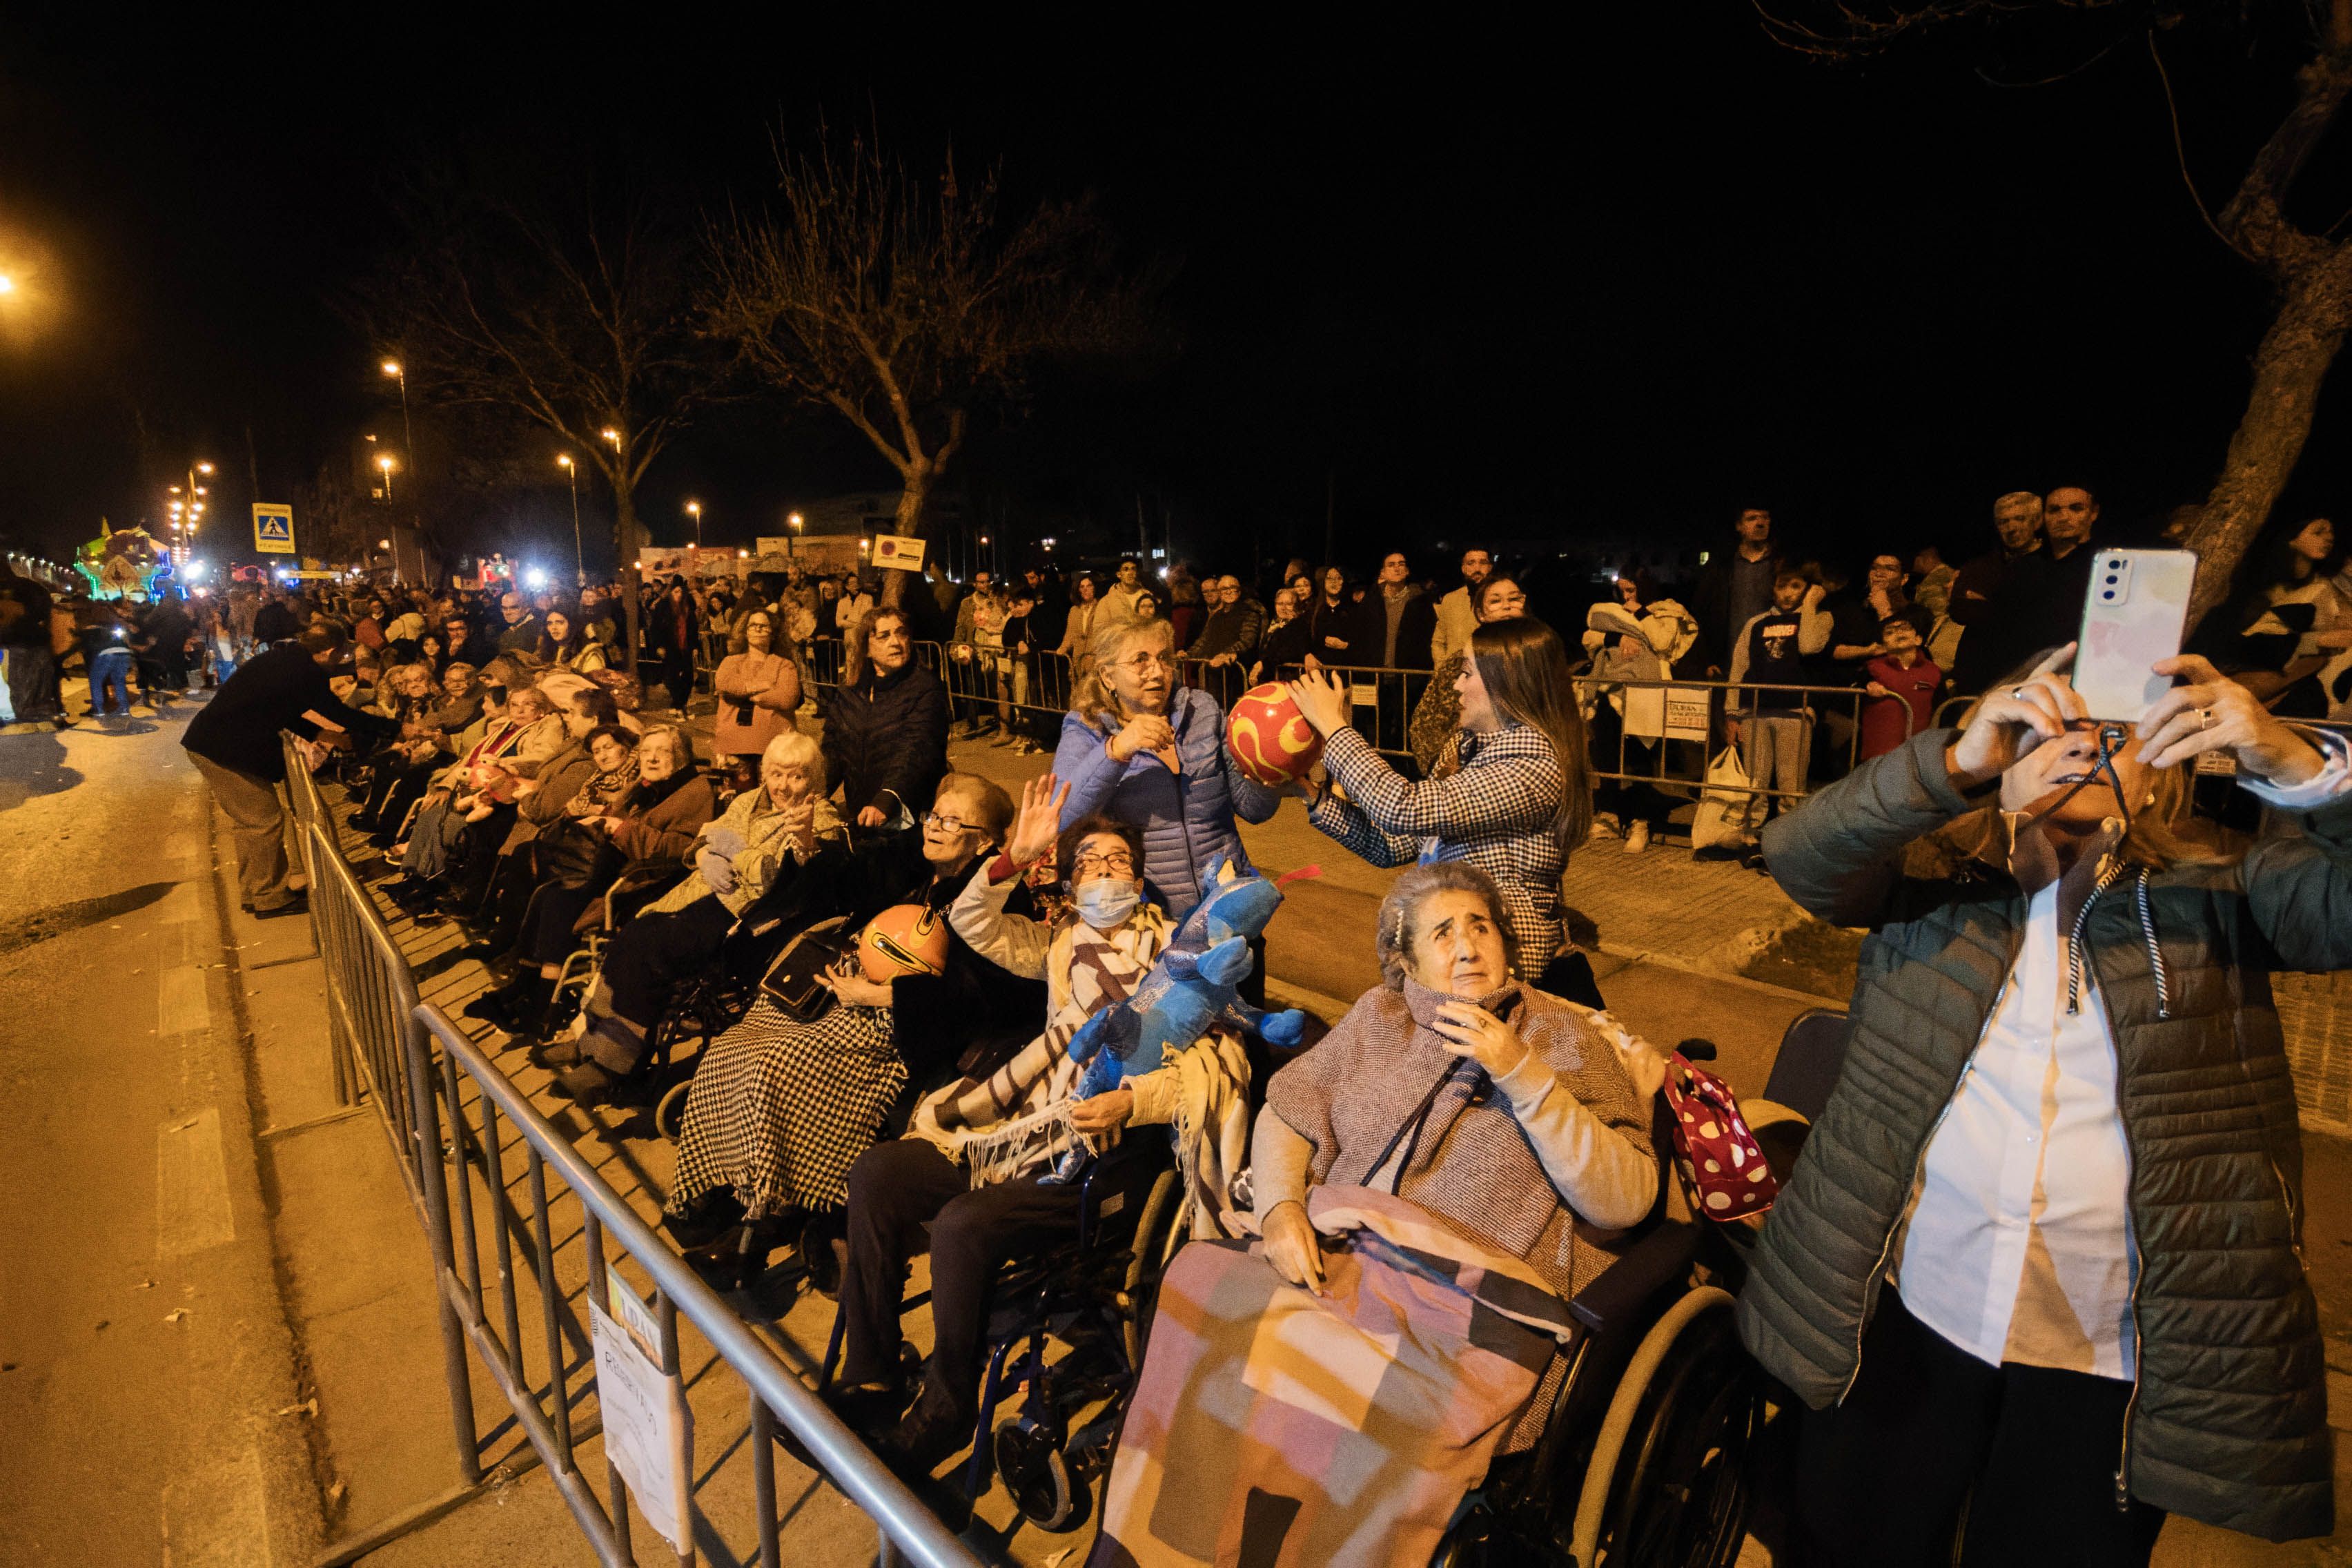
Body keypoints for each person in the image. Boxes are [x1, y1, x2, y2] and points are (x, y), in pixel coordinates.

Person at [1738, 647, 2352, 1566]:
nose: (2083, 750)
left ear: (2158, 780)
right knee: (1846, 1543)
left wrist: (2298, 764)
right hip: (1911, 1310)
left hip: (2107, 1355)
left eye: (2115, 736)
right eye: (2049, 729)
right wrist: (1952, 762)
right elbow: (1798, 852)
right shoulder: (1934, 884)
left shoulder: (2225, 892)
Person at [1092, 861, 1658, 1567]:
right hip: (1340, 1252)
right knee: (1199, 1293)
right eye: (1443, 932)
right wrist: (1279, 1210)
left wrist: (1521, 1069)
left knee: (1353, 1414)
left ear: (1508, 946)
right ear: (1408, 960)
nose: (1467, 945)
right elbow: (1289, 1113)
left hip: (1460, 1296)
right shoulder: (1377, 1017)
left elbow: (1627, 1195)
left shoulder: (1568, 1036)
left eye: (1481, 927)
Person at [826, 792, 1248, 1478]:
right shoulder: (1056, 947)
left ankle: (946, 1409)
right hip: (1026, 1131)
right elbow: (969, 922)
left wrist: (1131, 1101)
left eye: (1120, 861)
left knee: (963, 1223)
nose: (1107, 872)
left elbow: (1213, 1059)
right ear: (1072, 886)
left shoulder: (1178, 953)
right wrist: (1015, 857)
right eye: (1090, 863)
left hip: (1103, 1161)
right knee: (878, 1174)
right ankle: (871, 1372)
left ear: (1139, 881)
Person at [661, 774, 1028, 1284]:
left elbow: (980, 994)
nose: (934, 828)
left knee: (778, 1064)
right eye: (933, 815)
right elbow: (856, 874)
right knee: (732, 1048)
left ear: (986, 840)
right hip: (845, 992)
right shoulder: (916, 862)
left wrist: (889, 996)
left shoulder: (1001, 898)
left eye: (951, 821)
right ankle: (722, 1186)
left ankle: (760, 1227)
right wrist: (810, 844)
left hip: (906, 1022)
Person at [1291, 616, 1600, 1002]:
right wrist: (1310, 793)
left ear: (1507, 683)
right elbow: (1393, 845)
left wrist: (1333, 726)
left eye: (1467, 673)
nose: (1456, 684)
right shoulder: (1469, 750)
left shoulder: (1532, 761)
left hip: (1502, 969)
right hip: (1458, 962)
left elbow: (1400, 807)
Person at [551, 731, 846, 1104]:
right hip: (695, 896)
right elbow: (702, 842)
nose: (783, 786)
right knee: (633, 934)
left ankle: (610, 1067)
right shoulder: (747, 800)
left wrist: (731, 850)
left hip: (743, 919)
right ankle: (588, 1040)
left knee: (651, 948)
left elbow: (773, 877)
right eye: (776, 774)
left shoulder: (818, 820)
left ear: (813, 779)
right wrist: (707, 855)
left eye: (796, 776)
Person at [1052, 616, 1279, 920]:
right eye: (1140, 661)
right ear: (1107, 676)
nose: (1157, 671)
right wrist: (1116, 751)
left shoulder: (1203, 711)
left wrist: (1271, 772)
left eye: (1164, 659)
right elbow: (1062, 817)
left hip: (1227, 905)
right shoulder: (1087, 729)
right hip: (1148, 916)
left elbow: (1254, 809)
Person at [182, 630, 400, 916]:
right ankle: (269, 897)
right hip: (225, 752)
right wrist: (396, 729)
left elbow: (281, 711)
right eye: (342, 656)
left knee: (252, 825)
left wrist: (323, 734)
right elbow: (340, 714)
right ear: (329, 651)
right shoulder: (305, 672)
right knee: (264, 823)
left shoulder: (284, 661)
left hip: (213, 744)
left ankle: (255, 891)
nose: (342, 664)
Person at [1582, 570, 1701, 854]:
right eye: (1623, 592)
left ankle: (1641, 819)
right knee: (1608, 754)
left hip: (1647, 691)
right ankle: (1609, 814)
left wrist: (1642, 613)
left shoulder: (1666, 612)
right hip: (1611, 690)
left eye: (1633, 590)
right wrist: (1613, 638)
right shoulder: (1613, 612)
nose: (1627, 598)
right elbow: (1590, 637)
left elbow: (1661, 642)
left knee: (1641, 757)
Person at [2197, 516, 2351, 717]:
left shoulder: (2323, 585)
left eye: (2331, 532)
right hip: (2268, 685)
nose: (2329, 538)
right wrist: (2317, 642)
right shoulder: (2266, 591)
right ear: (2291, 536)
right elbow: (2249, 646)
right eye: (2319, 532)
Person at [819, 607, 950, 828]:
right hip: (861, 813)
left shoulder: (926, 689)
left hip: (908, 816)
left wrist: (887, 798)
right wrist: (814, 792)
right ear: (867, 648)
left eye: (901, 633)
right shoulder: (849, 692)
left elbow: (917, 750)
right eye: (884, 636)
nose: (896, 642)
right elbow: (832, 752)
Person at [1727, 568, 1832, 825]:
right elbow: (1739, 667)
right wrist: (1732, 712)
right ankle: (1751, 837)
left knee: (1791, 786)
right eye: (1782, 586)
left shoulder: (1820, 618)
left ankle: (1786, 843)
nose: (1787, 593)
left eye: (1796, 586)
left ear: (1808, 589)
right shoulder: (1756, 623)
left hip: (1795, 712)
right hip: (1755, 712)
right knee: (1755, 784)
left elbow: (1808, 645)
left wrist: (1809, 605)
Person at [1409, 572, 1529, 772]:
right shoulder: (1461, 661)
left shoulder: (1538, 655)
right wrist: (1440, 766)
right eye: (1496, 601)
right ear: (1480, 613)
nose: (1507, 606)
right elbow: (1427, 721)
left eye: (1514, 598)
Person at [710, 608, 803, 780]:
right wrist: (763, 686)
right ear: (745, 632)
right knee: (736, 801)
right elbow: (724, 683)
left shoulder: (785, 665)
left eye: (763, 626)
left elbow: (787, 698)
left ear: (773, 633)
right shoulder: (731, 661)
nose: (758, 629)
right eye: (753, 625)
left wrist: (751, 695)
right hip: (733, 744)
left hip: (773, 746)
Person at [1693, 506, 1781, 678]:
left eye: (1765, 517)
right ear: (1739, 526)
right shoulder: (1722, 566)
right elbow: (1701, 611)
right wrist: (1706, 659)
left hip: (1771, 659)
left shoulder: (1780, 564)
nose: (1760, 523)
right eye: (1752, 518)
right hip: (1728, 661)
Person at [1859, 613, 1942, 760]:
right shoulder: (1872, 669)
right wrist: (1867, 685)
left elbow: (1943, 711)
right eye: (1890, 632)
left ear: (1918, 639)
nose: (1899, 632)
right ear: (1884, 644)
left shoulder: (1934, 672)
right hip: (1878, 756)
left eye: (1905, 628)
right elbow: (1856, 690)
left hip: (1919, 755)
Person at [1429, 547, 1494, 668]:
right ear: (1464, 569)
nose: (1477, 568)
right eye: (1471, 563)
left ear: (1490, 567)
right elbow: (1438, 641)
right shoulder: (1451, 599)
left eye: (1483, 563)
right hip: (1454, 677)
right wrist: (1443, 669)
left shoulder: (1500, 598)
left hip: (1488, 675)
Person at [1372, 550, 1436, 672]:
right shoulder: (1373, 601)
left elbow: (1428, 638)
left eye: (1401, 564)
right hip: (1377, 673)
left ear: (1407, 571)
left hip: (1409, 675)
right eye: (1391, 565)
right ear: (1383, 573)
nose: (1397, 568)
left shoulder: (1421, 602)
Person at [647, 579, 700, 712]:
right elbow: (656, 628)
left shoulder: (687, 607)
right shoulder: (663, 607)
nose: (679, 595)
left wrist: (695, 646)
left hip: (685, 646)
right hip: (670, 646)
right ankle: (678, 704)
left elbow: (693, 628)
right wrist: (659, 645)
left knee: (688, 677)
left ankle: (681, 702)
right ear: (671, 592)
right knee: (672, 677)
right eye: (676, 592)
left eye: (681, 592)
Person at [1306, 565, 1375, 665]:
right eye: (1330, 578)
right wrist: (1307, 655)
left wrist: (1345, 646)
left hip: (1345, 670)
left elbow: (1364, 642)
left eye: (1338, 578)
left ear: (1343, 582)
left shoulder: (1353, 611)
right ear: (1323, 582)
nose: (1334, 582)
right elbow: (1303, 637)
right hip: (1319, 670)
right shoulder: (1313, 610)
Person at [1254, 585, 1311, 681]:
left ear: (1296, 605)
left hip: (1291, 679)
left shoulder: (1299, 625)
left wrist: (1264, 663)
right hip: (1271, 678)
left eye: (1288, 604)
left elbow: (1288, 652)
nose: (1284, 607)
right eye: (1280, 604)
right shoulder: (1272, 625)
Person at [1055, 571, 1102, 674]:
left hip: (1097, 661)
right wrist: (1063, 648)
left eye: (1089, 586)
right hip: (1078, 662)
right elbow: (1070, 635)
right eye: (1082, 587)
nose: (1085, 589)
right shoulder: (1074, 611)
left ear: (1095, 588)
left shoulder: (1102, 607)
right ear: (1078, 590)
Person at [536, 608, 608, 674]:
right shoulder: (546, 650)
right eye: (550, 623)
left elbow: (594, 686)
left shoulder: (589, 654)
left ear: (572, 625)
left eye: (560, 623)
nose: (554, 627)